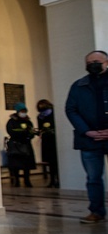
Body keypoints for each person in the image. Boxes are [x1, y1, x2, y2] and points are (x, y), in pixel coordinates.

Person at [65, 50, 108, 224]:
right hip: (89, 139)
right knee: (93, 178)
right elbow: (71, 110)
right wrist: (86, 131)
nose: (93, 64)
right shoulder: (78, 85)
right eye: (89, 62)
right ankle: (96, 212)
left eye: (96, 61)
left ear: (106, 62)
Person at [6, 102, 36, 188]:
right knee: (16, 164)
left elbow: (32, 131)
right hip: (16, 145)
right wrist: (21, 134)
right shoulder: (12, 121)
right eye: (22, 111)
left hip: (26, 144)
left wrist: (29, 135)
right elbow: (10, 131)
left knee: (27, 165)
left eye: (25, 111)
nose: (23, 113)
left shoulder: (28, 121)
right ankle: (17, 180)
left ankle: (27, 180)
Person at [36, 99, 59, 188]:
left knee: (56, 161)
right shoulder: (40, 117)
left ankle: (58, 179)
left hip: (54, 141)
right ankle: (52, 180)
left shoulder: (54, 114)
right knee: (50, 162)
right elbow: (40, 128)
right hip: (46, 141)